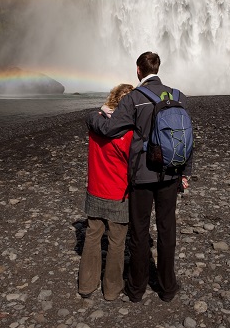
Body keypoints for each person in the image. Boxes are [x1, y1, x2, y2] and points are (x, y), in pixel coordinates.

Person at [86, 52, 192, 303]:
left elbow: (110, 129)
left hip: (143, 175)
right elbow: (187, 139)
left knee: (139, 231)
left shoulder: (134, 98)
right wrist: (185, 173)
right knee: (167, 230)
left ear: (138, 71)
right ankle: (167, 287)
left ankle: (136, 288)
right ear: (158, 68)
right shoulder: (179, 96)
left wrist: (92, 116)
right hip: (171, 173)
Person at [79, 83, 134, 301]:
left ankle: (86, 284)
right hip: (119, 194)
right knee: (116, 242)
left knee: (92, 237)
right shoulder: (129, 133)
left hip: (95, 190)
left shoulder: (96, 125)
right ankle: (111, 290)